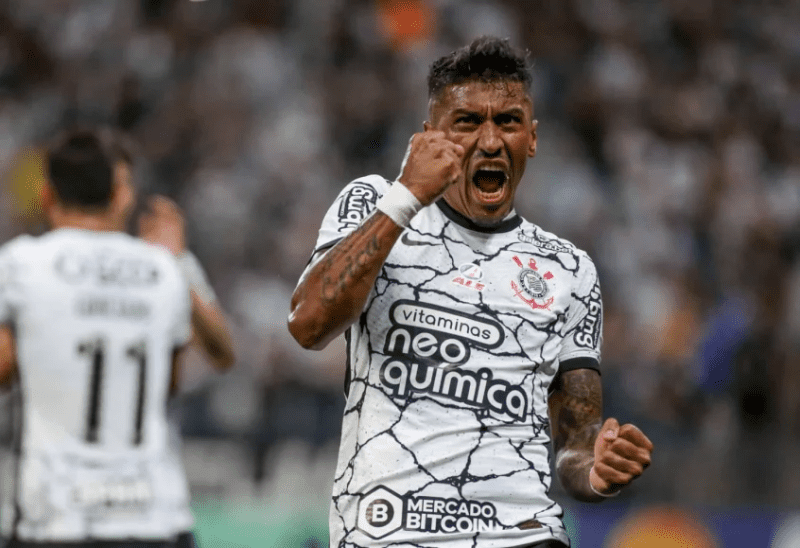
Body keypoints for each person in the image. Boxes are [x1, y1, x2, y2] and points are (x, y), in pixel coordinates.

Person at [288, 37, 653, 548]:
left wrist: (596, 469)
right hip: (390, 531)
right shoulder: (374, 203)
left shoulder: (569, 269)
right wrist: (407, 196)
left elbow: (575, 442)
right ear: (428, 138)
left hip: (522, 535)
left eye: (508, 121)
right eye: (466, 122)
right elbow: (308, 324)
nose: (490, 140)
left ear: (532, 138)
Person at [0, 129, 226, 548]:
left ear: (47, 195)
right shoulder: (162, 270)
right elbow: (204, 364)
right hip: (155, 514)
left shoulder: (21, 264)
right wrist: (179, 258)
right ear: (120, 196)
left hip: (57, 517)